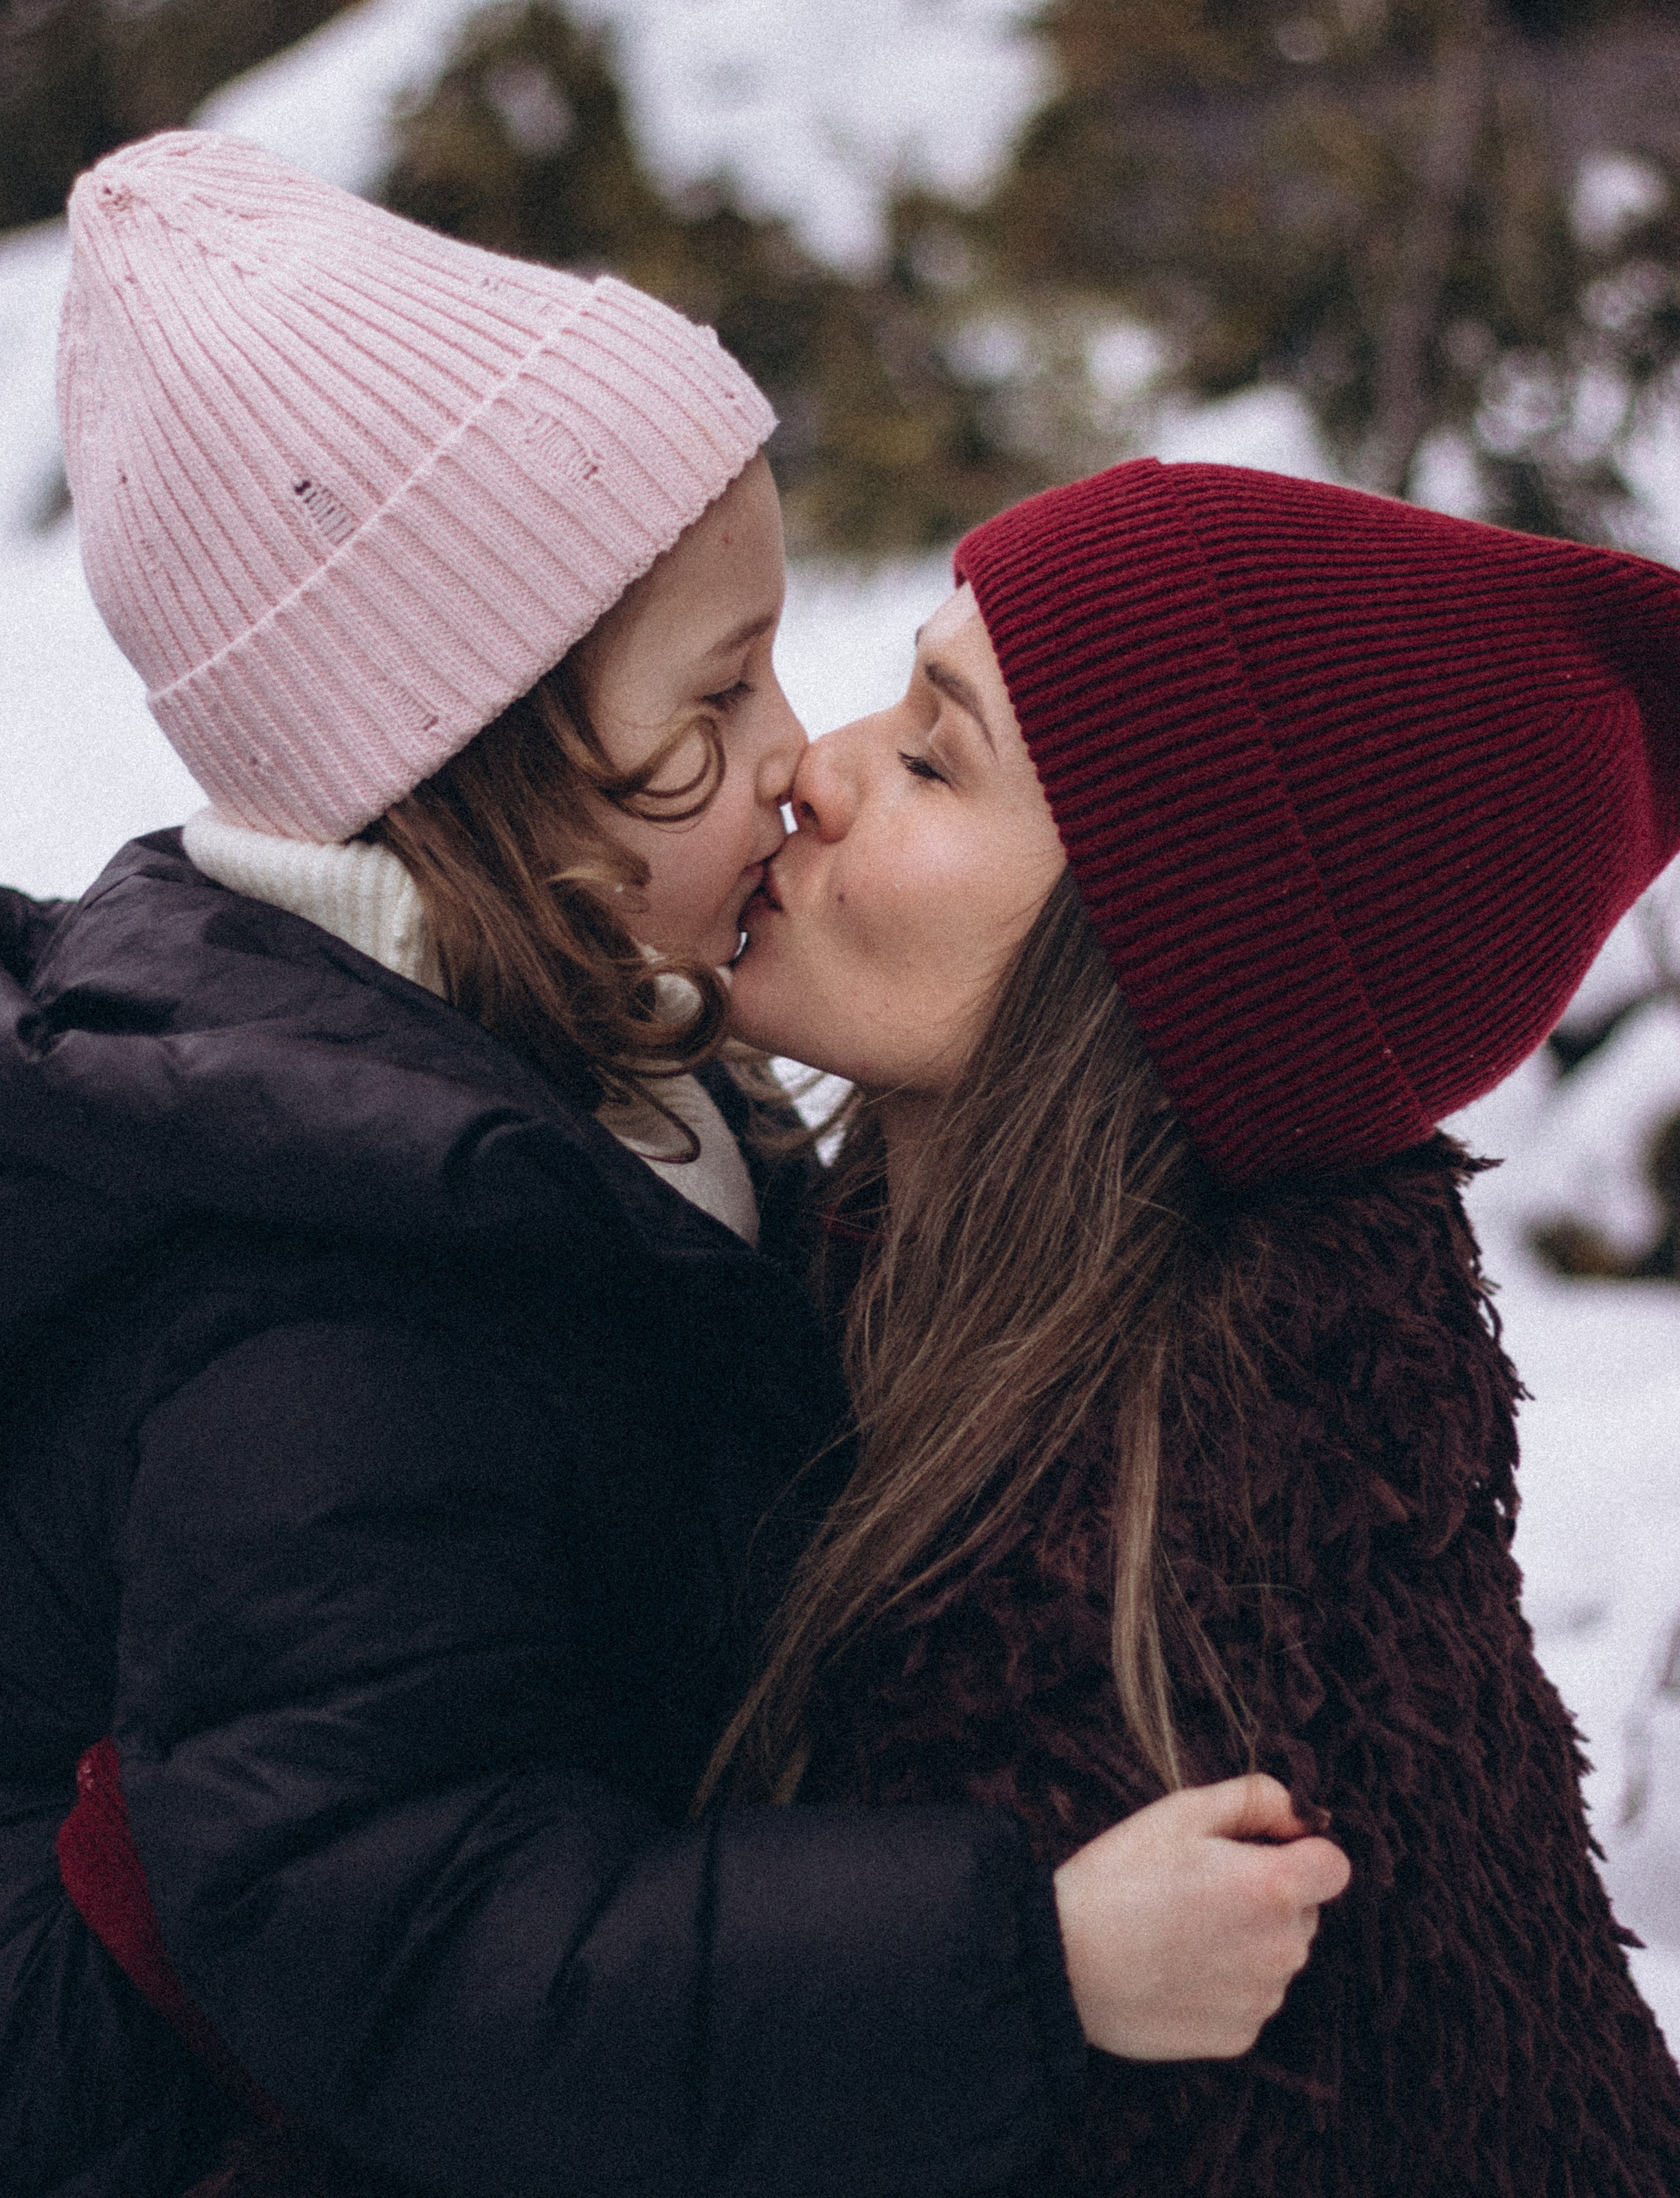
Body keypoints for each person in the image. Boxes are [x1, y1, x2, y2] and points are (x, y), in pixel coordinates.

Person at [0, 138, 1348, 2198]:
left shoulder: (576, 1058)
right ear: (472, 767)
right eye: (715, 699)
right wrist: (1025, 1961)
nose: (800, 752)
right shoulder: (325, 1326)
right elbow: (420, 1955)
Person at [721, 459, 1680, 2195]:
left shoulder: (1140, 1619)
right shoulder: (883, 1306)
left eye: (928, 755)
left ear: (1146, 968)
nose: (807, 771)